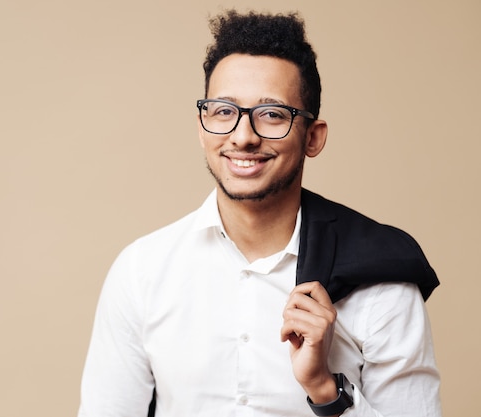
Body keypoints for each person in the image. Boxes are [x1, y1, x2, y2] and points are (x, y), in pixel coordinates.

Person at [78, 10, 441, 417]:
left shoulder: (382, 282)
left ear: (313, 138)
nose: (243, 137)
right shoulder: (141, 271)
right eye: (223, 111)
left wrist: (325, 390)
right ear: (202, 127)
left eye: (272, 115)